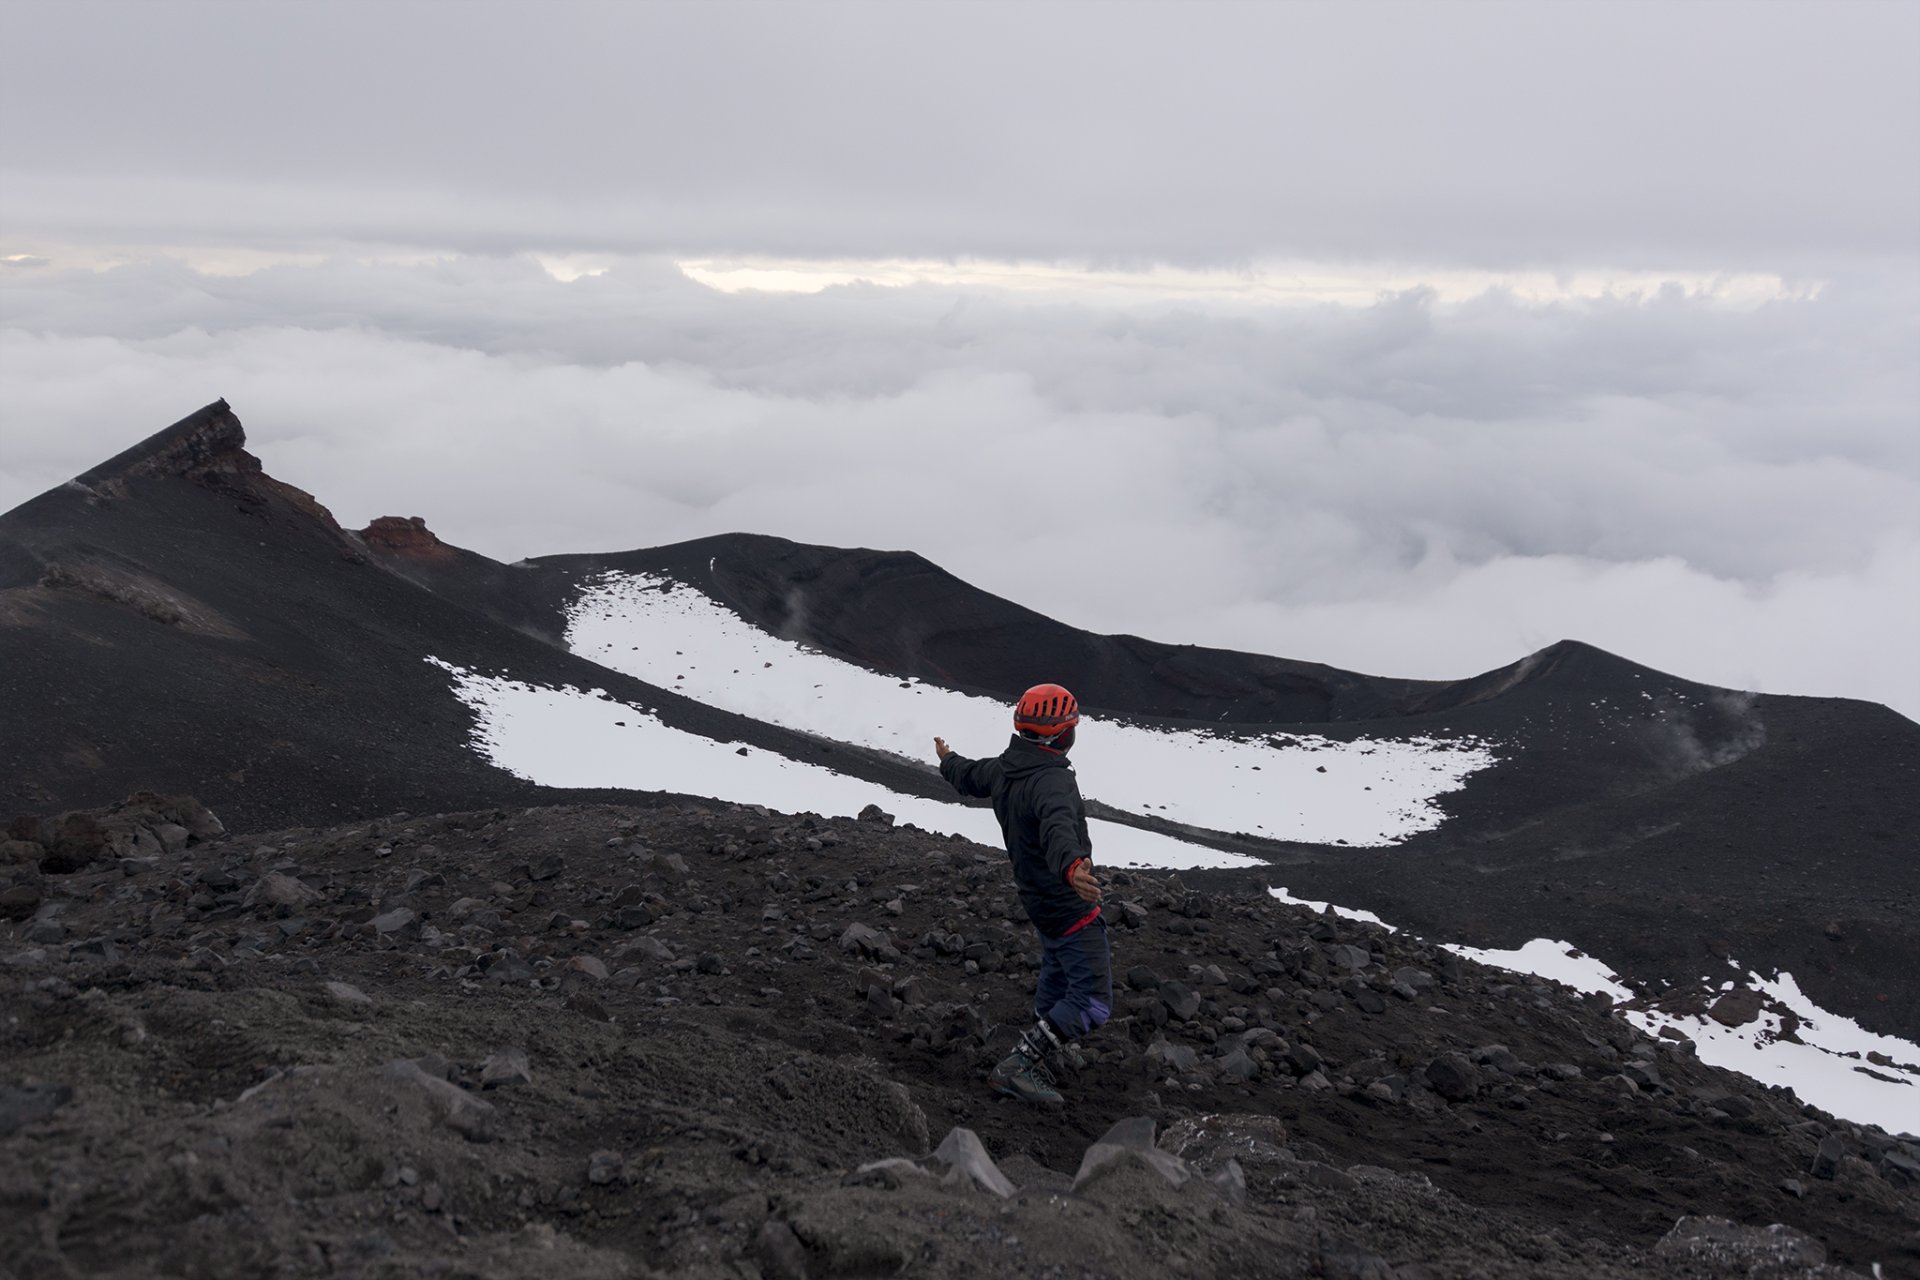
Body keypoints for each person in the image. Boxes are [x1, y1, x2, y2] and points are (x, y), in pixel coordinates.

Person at [934, 683, 1109, 1106]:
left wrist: (947, 761)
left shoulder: (1004, 768)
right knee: (1092, 1001)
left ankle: (1039, 1048)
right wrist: (1072, 869)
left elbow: (969, 776)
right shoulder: (1051, 782)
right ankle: (1021, 1064)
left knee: (1058, 967)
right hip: (1067, 902)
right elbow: (1058, 829)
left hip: (1037, 899)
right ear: (1060, 735)